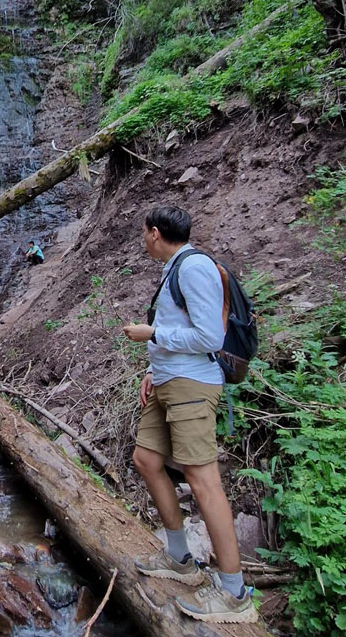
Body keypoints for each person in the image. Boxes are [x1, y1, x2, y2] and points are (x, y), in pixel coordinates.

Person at [121, 206, 256, 623]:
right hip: (166, 381)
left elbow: (209, 336)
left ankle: (234, 594)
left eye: (144, 233)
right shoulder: (175, 267)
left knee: (203, 481)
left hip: (191, 386)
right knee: (146, 460)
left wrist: (152, 334)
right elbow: (181, 323)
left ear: (156, 233)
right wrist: (150, 367)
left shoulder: (193, 268)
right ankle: (180, 558)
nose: (143, 240)